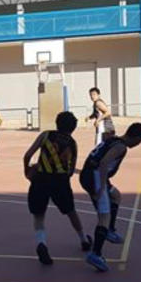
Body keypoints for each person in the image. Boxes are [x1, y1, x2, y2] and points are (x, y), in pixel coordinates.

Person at [23, 111, 92, 266]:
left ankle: (42, 243)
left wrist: (27, 171)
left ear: (57, 123)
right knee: (70, 211)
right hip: (60, 181)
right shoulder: (72, 143)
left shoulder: (46, 135)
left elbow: (27, 155)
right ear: (73, 128)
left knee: (39, 215)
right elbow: (71, 169)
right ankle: (83, 239)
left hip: (40, 178)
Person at [79, 123, 141, 272]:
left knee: (116, 196)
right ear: (136, 138)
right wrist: (102, 188)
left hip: (90, 173)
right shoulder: (120, 147)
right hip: (95, 176)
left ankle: (109, 230)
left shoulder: (113, 139)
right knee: (104, 215)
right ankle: (95, 254)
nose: (138, 144)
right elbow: (103, 163)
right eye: (140, 141)